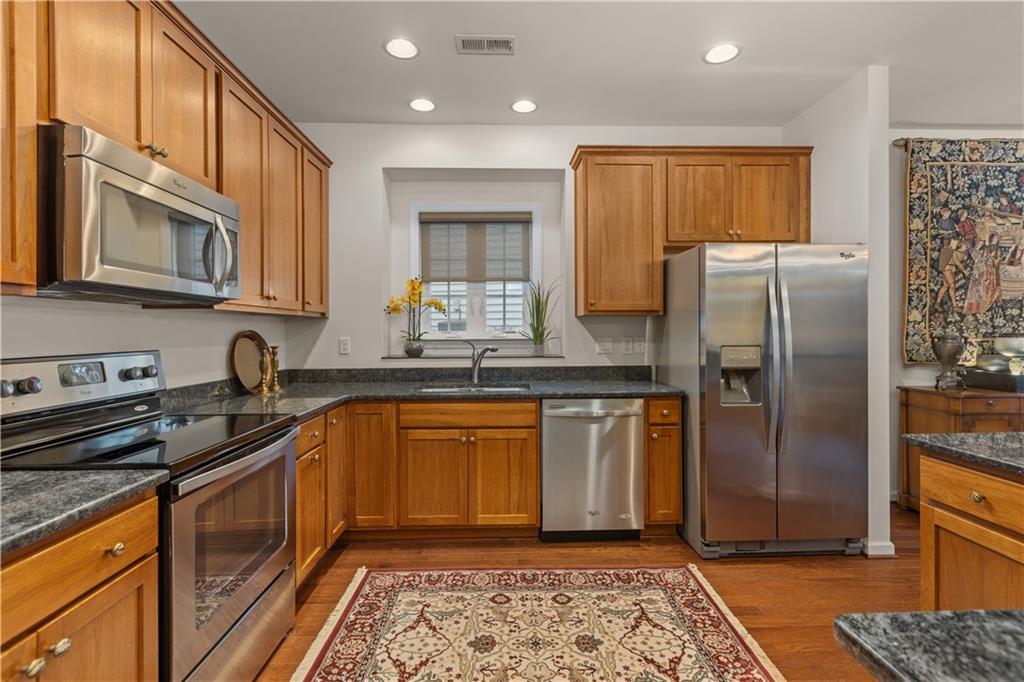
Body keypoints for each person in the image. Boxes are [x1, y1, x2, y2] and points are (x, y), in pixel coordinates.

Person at [935, 239, 969, 310]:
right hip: (947, 267)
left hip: (952, 268)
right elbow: (957, 262)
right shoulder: (955, 252)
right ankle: (954, 306)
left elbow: (960, 262)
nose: (966, 247)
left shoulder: (962, 254)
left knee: (945, 285)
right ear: (960, 246)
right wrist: (964, 271)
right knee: (952, 285)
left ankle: (937, 303)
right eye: (964, 246)